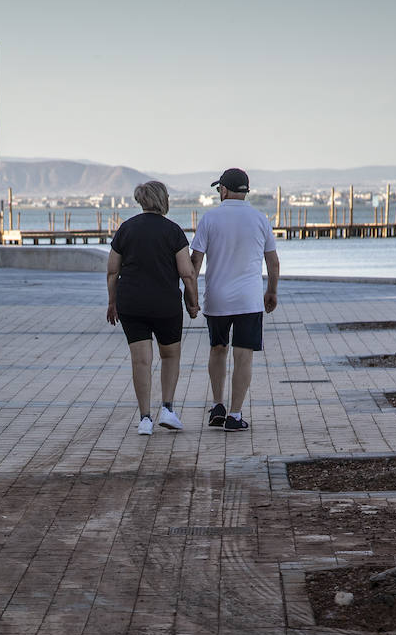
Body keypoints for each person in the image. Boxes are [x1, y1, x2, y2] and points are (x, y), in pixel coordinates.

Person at [190, 167, 279, 432]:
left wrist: (191, 295)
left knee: (218, 349)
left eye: (219, 189)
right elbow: (272, 262)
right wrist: (272, 291)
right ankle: (235, 415)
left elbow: (195, 260)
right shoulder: (260, 219)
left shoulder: (209, 218)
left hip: (217, 299)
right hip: (249, 301)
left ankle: (218, 404)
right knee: (244, 357)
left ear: (224, 190)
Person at [107, 180, 200, 435]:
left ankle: (145, 419)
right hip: (165, 305)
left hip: (131, 303)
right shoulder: (173, 231)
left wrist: (112, 302)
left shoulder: (126, 229)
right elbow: (187, 273)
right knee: (170, 355)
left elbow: (113, 270)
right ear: (163, 200)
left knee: (141, 361)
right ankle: (168, 410)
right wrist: (192, 303)